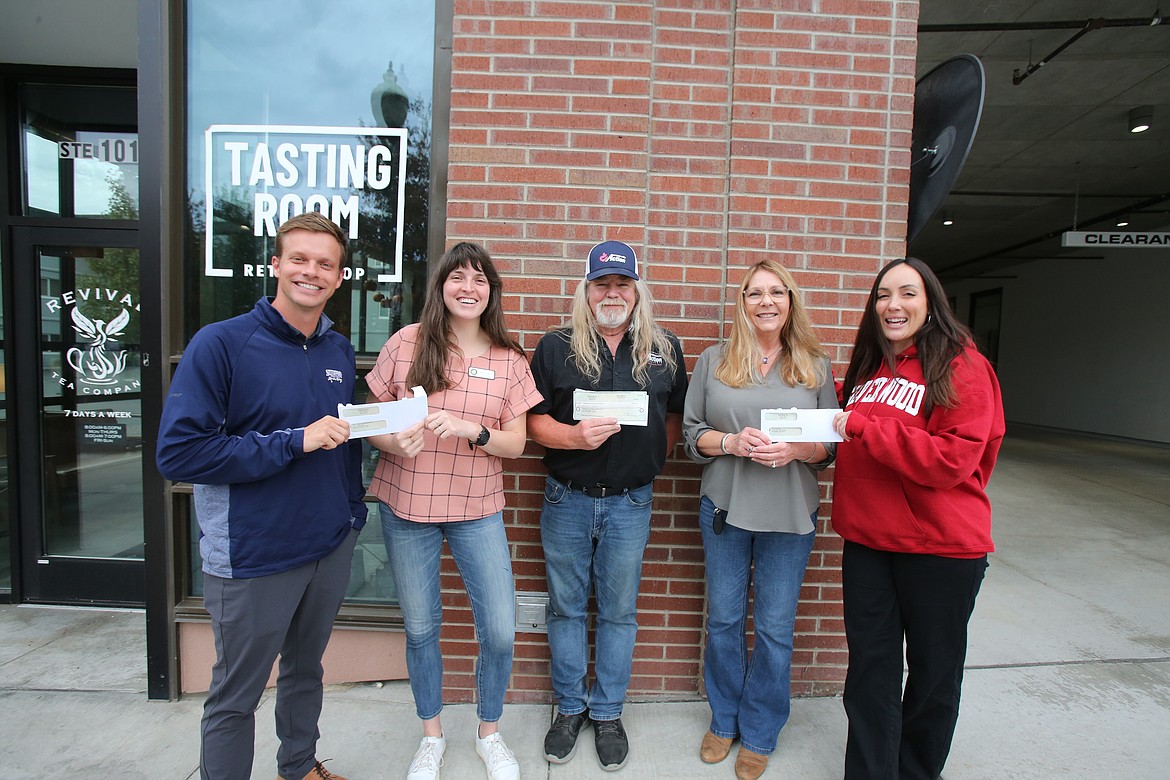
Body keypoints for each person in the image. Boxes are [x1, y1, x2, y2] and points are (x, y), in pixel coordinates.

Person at [156, 211, 366, 780]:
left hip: (326, 545)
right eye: (299, 258)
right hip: (252, 554)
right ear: (275, 264)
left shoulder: (337, 351)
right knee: (235, 696)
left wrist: (351, 514)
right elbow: (179, 454)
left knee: (306, 672)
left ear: (340, 277)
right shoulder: (220, 345)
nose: (311, 272)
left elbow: (342, 440)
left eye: (326, 264)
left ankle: (298, 767)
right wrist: (293, 442)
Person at [365, 242, 542, 780]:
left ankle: (490, 732)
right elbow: (374, 415)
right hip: (407, 504)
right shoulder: (407, 343)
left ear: (492, 291)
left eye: (480, 279)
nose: (469, 287)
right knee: (421, 628)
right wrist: (393, 442)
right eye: (458, 277)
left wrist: (473, 431)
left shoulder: (509, 359)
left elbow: (517, 445)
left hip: (477, 507)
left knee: (500, 629)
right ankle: (431, 736)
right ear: (441, 286)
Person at [831, 257, 1005, 780]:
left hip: (940, 549)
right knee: (870, 672)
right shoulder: (868, 368)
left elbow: (954, 458)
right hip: (868, 543)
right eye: (884, 294)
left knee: (932, 676)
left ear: (930, 302)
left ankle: (915, 771)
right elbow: (843, 432)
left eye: (907, 293)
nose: (893, 305)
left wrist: (865, 429)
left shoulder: (962, 365)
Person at [529, 240, 688, 772]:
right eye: (602, 283)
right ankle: (570, 709)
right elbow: (532, 421)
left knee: (619, 612)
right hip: (567, 499)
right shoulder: (555, 346)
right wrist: (573, 439)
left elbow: (674, 417)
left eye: (623, 284)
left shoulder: (664, 347)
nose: (612, 292)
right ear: (587, 289)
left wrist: (653, 457)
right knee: (566, 609)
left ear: (637, 290)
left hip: (630, 504)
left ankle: (609, 712)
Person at [682, 260, 837, 780]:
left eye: (776, 292)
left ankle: (761, 730)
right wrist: (729, 442)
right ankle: (724, 721)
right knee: (724, 621)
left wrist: (798, 449)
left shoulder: (814, 364)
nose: (765, 302)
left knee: (774, 629)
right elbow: (691, 434)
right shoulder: (714, 361)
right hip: (725, 509)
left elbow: (828, 448)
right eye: (755, 293)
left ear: (790, 301)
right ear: (742, 303)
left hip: (789, 514)